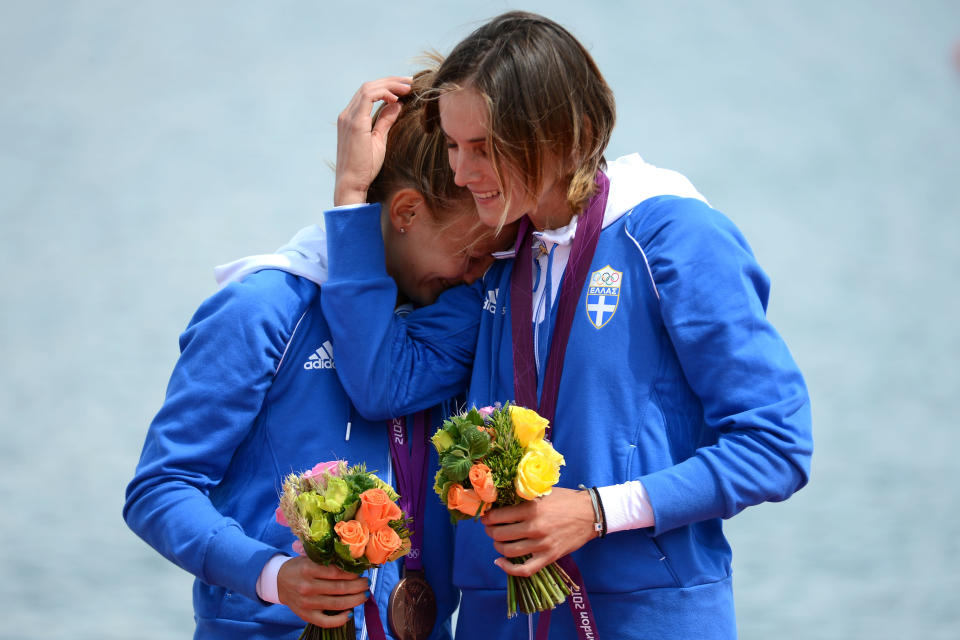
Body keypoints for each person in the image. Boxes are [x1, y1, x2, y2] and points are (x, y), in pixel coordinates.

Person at [317, 11, 813, 640]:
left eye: (483, 148)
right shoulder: (499, 258)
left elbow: (776, 445)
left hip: (643, 614)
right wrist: (353, 194)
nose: (462, 173)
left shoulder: (672, 236)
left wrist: (596, 512)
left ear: (558, 133)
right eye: (451, 144)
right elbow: (383, 382)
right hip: (498, 617)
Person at [123, 71, 513, 640]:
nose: (481, 274)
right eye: (472, 252)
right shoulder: (262, 308)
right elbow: (161, 488)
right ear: (404, 213)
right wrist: (271, 574)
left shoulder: (459, 312)